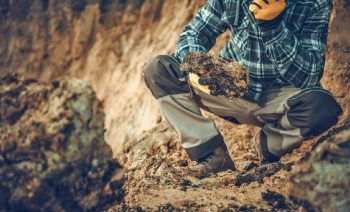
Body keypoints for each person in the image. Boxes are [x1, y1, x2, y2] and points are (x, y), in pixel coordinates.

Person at [143, 0, 343, 178]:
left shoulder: (315, 4)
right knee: (159, 69)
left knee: (322, 107)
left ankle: (268, 145)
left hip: (280, 96)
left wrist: (273, 29)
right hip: (226, 85)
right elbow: (195, 32)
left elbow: (309, 75)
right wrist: (201, 65)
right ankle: (212, 155)